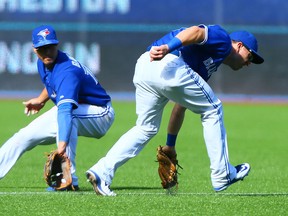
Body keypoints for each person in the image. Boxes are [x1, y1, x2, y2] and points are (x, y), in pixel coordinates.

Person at [85, 24, 264, 196]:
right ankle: (222, 174)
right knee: (213, 109)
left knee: (145, 128)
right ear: (239, 45)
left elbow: (180, 106)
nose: (249, 63)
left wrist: (170, 144)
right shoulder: (223, 40)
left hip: (145, 66)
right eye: (250, 57)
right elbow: (196, 32)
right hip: (167, 61)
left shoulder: (209, 63)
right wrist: (168, 47)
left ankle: (102, 171)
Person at [0, 25, 115, 191]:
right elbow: (53, 85)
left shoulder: (67, 71)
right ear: (34, 49)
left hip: (100, 113)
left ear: (57, 45)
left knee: (67, 119)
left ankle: (68, 180)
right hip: (78, 109)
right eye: (42, 48)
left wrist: (61, 148)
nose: (47, 52)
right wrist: (41, 100)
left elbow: (66, 111)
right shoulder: (45, 63)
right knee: (23, 137)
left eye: (50, 47)